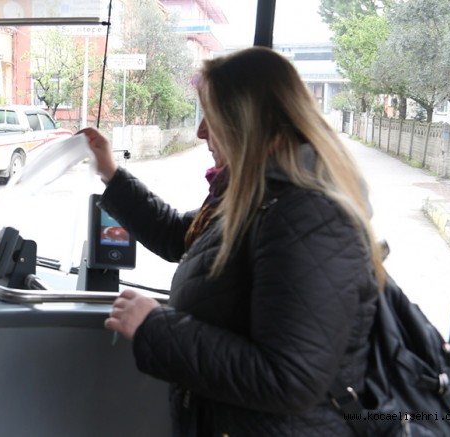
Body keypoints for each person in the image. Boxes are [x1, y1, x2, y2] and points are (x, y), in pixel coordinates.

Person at [79, 46, 382, 436]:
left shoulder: (308, 216)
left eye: (211, 116)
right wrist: (109, 171)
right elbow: (180, 236)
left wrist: (155, 328)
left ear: (248, 123)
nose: (201, 131)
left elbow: (290, 378)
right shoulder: (258, 194)